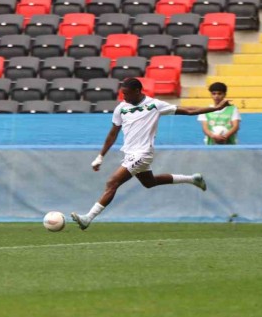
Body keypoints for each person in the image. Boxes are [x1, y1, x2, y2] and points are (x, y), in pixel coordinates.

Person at [71, 78, 230, 230]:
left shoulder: (155, 105)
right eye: (122, 93)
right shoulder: (121, 108)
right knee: (150, 182)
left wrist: (215, 109)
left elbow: (188, 110)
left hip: (143, 153)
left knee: (112, 182)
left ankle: (87, 218)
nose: (123, 96)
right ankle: (192, 179)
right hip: (130, 153)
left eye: (126, 93)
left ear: (138, 91)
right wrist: (100, 156)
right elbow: (113, 133)